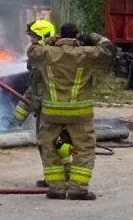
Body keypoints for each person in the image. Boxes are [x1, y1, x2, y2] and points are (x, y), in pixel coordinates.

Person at [28, 23, 115, 200]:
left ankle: (56, 189)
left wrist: (49, 40)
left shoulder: (47, 53)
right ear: (76, 36)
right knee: (84, 149)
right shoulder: (87, 54)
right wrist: (92, 37)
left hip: (52, 113)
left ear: (60, 35)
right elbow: (109, 49)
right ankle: (78, 189)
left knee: (49, 148)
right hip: (79, 113)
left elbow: (32, 50)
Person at [9, 19, 56, 188]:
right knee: (47, 143)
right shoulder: (44, 54)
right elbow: (33, 88)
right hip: (43, 104)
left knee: (51, 143)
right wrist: (16, 119)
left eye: (34, 36)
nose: (31, 39)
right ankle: (54, 177)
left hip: (50, 107)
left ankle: (58, 178)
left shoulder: (48, 55)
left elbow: (38, 89)